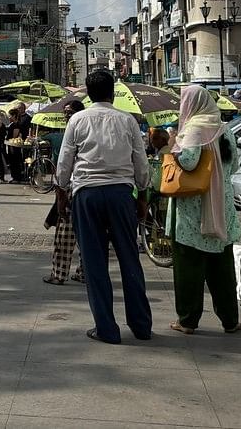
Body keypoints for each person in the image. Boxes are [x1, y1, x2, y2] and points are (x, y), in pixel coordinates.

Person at [54, 70, 152, 344]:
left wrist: (62, 194)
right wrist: (143, 195)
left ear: (87, 92)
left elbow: (65, 162)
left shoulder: (77, 120)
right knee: (129, 258)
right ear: (112, 92)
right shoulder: (127, 120)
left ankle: (107, 329)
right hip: (121, 194)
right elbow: (140, 163)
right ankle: (141, 326)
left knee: (95, 263)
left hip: (87, 194)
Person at [167, 86, 241, 336]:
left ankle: (188, 320)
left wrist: (173, 144)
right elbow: (234, 165)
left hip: (193, 213)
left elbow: (188, 162)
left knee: (188, 269)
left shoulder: (193, 129)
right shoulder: (224, 128)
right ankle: (230, 320)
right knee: (222, 271)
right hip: (222, 209)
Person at [44, 99, 85, 285]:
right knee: (87, 234)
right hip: (84, 187)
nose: (66, 115)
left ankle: (60, 274)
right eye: (65, 112)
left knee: (66, 235)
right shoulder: (88, 127)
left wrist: (60, 190)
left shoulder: (75, 129)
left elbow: (64, 162)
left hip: (73, 187)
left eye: (69, 112)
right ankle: (82, 273)